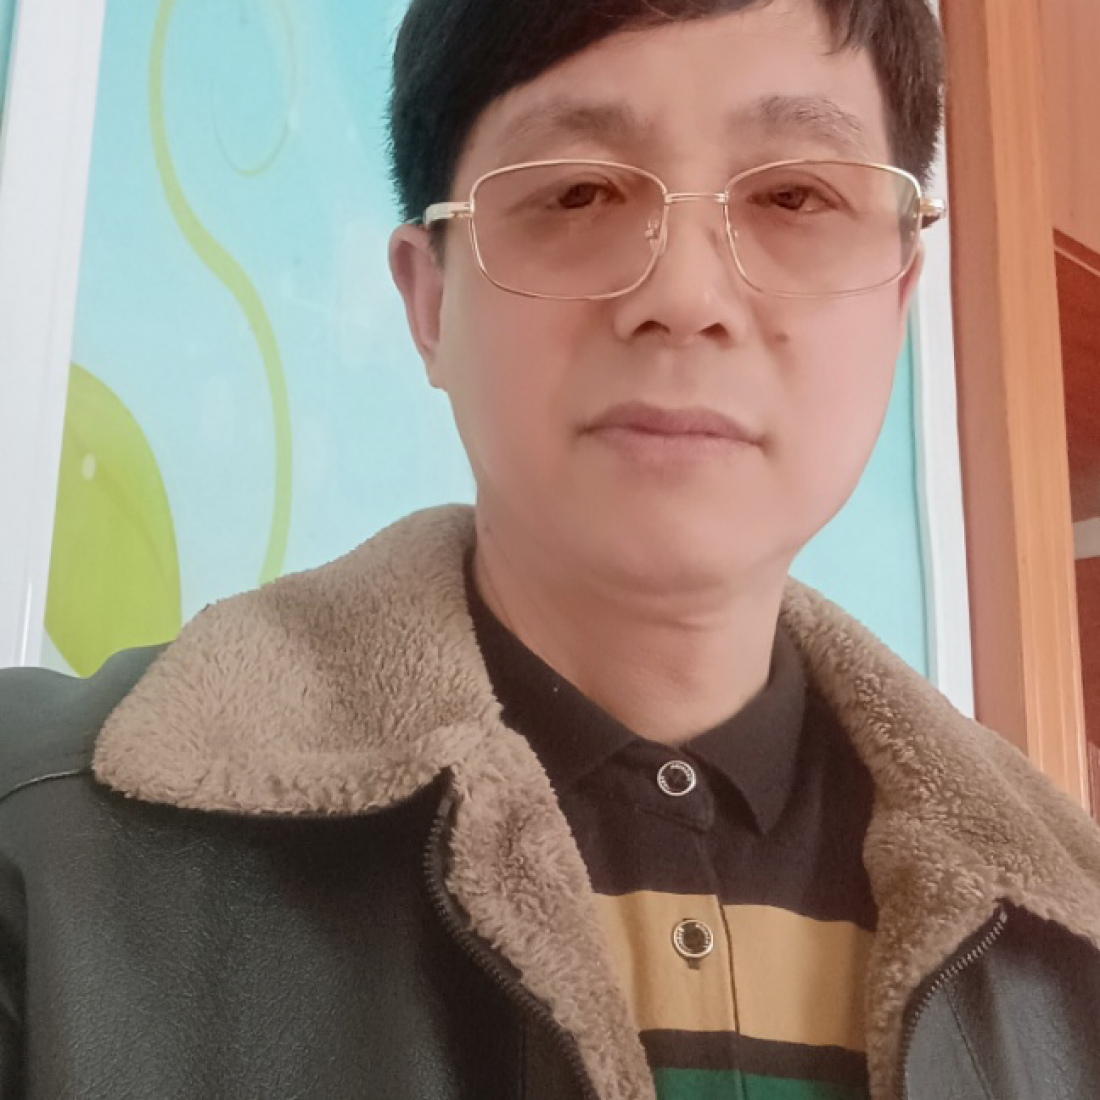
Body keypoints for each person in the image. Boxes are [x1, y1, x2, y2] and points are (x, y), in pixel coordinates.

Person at [2, 0, 1100, 1096]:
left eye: (794, 196)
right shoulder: (40, 851)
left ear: (898, 295)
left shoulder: (1074, 925)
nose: (684, 297)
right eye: (577, 192)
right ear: (430, 300)